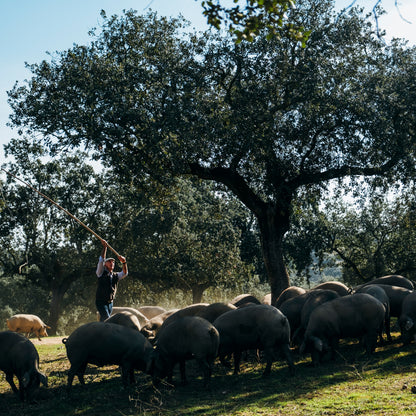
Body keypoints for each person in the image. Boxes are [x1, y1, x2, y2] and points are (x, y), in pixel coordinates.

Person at [95, 239, 128, 321]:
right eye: (109, 261)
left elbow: (125, 273)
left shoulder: (115, 275)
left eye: (113, 262)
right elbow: (101, 260)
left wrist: (124, 262)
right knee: (107, 319)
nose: (111, 263)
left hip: (110, 302)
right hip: (101, 302)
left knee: (104, 320)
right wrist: (105, 248)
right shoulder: (100, 273)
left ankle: (99, 333)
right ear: (105, 264)